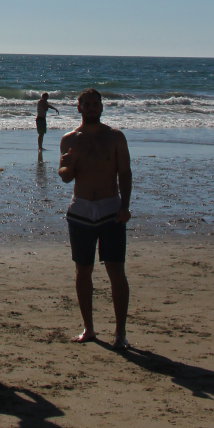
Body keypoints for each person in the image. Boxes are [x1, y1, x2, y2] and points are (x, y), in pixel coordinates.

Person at [58, 88, 132, 349]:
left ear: (102, 107)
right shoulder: (69, 139)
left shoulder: (114, 137)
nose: (91, 108)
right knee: (83, 271)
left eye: (95, 104)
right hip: (80, 211)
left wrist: (125, 206)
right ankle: (88, 328)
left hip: (111, 210)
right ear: (78, 108)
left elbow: (125, 173)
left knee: (116, 271)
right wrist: (67, 165)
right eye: (86, 104)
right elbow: (66, 176)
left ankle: (120, 333)